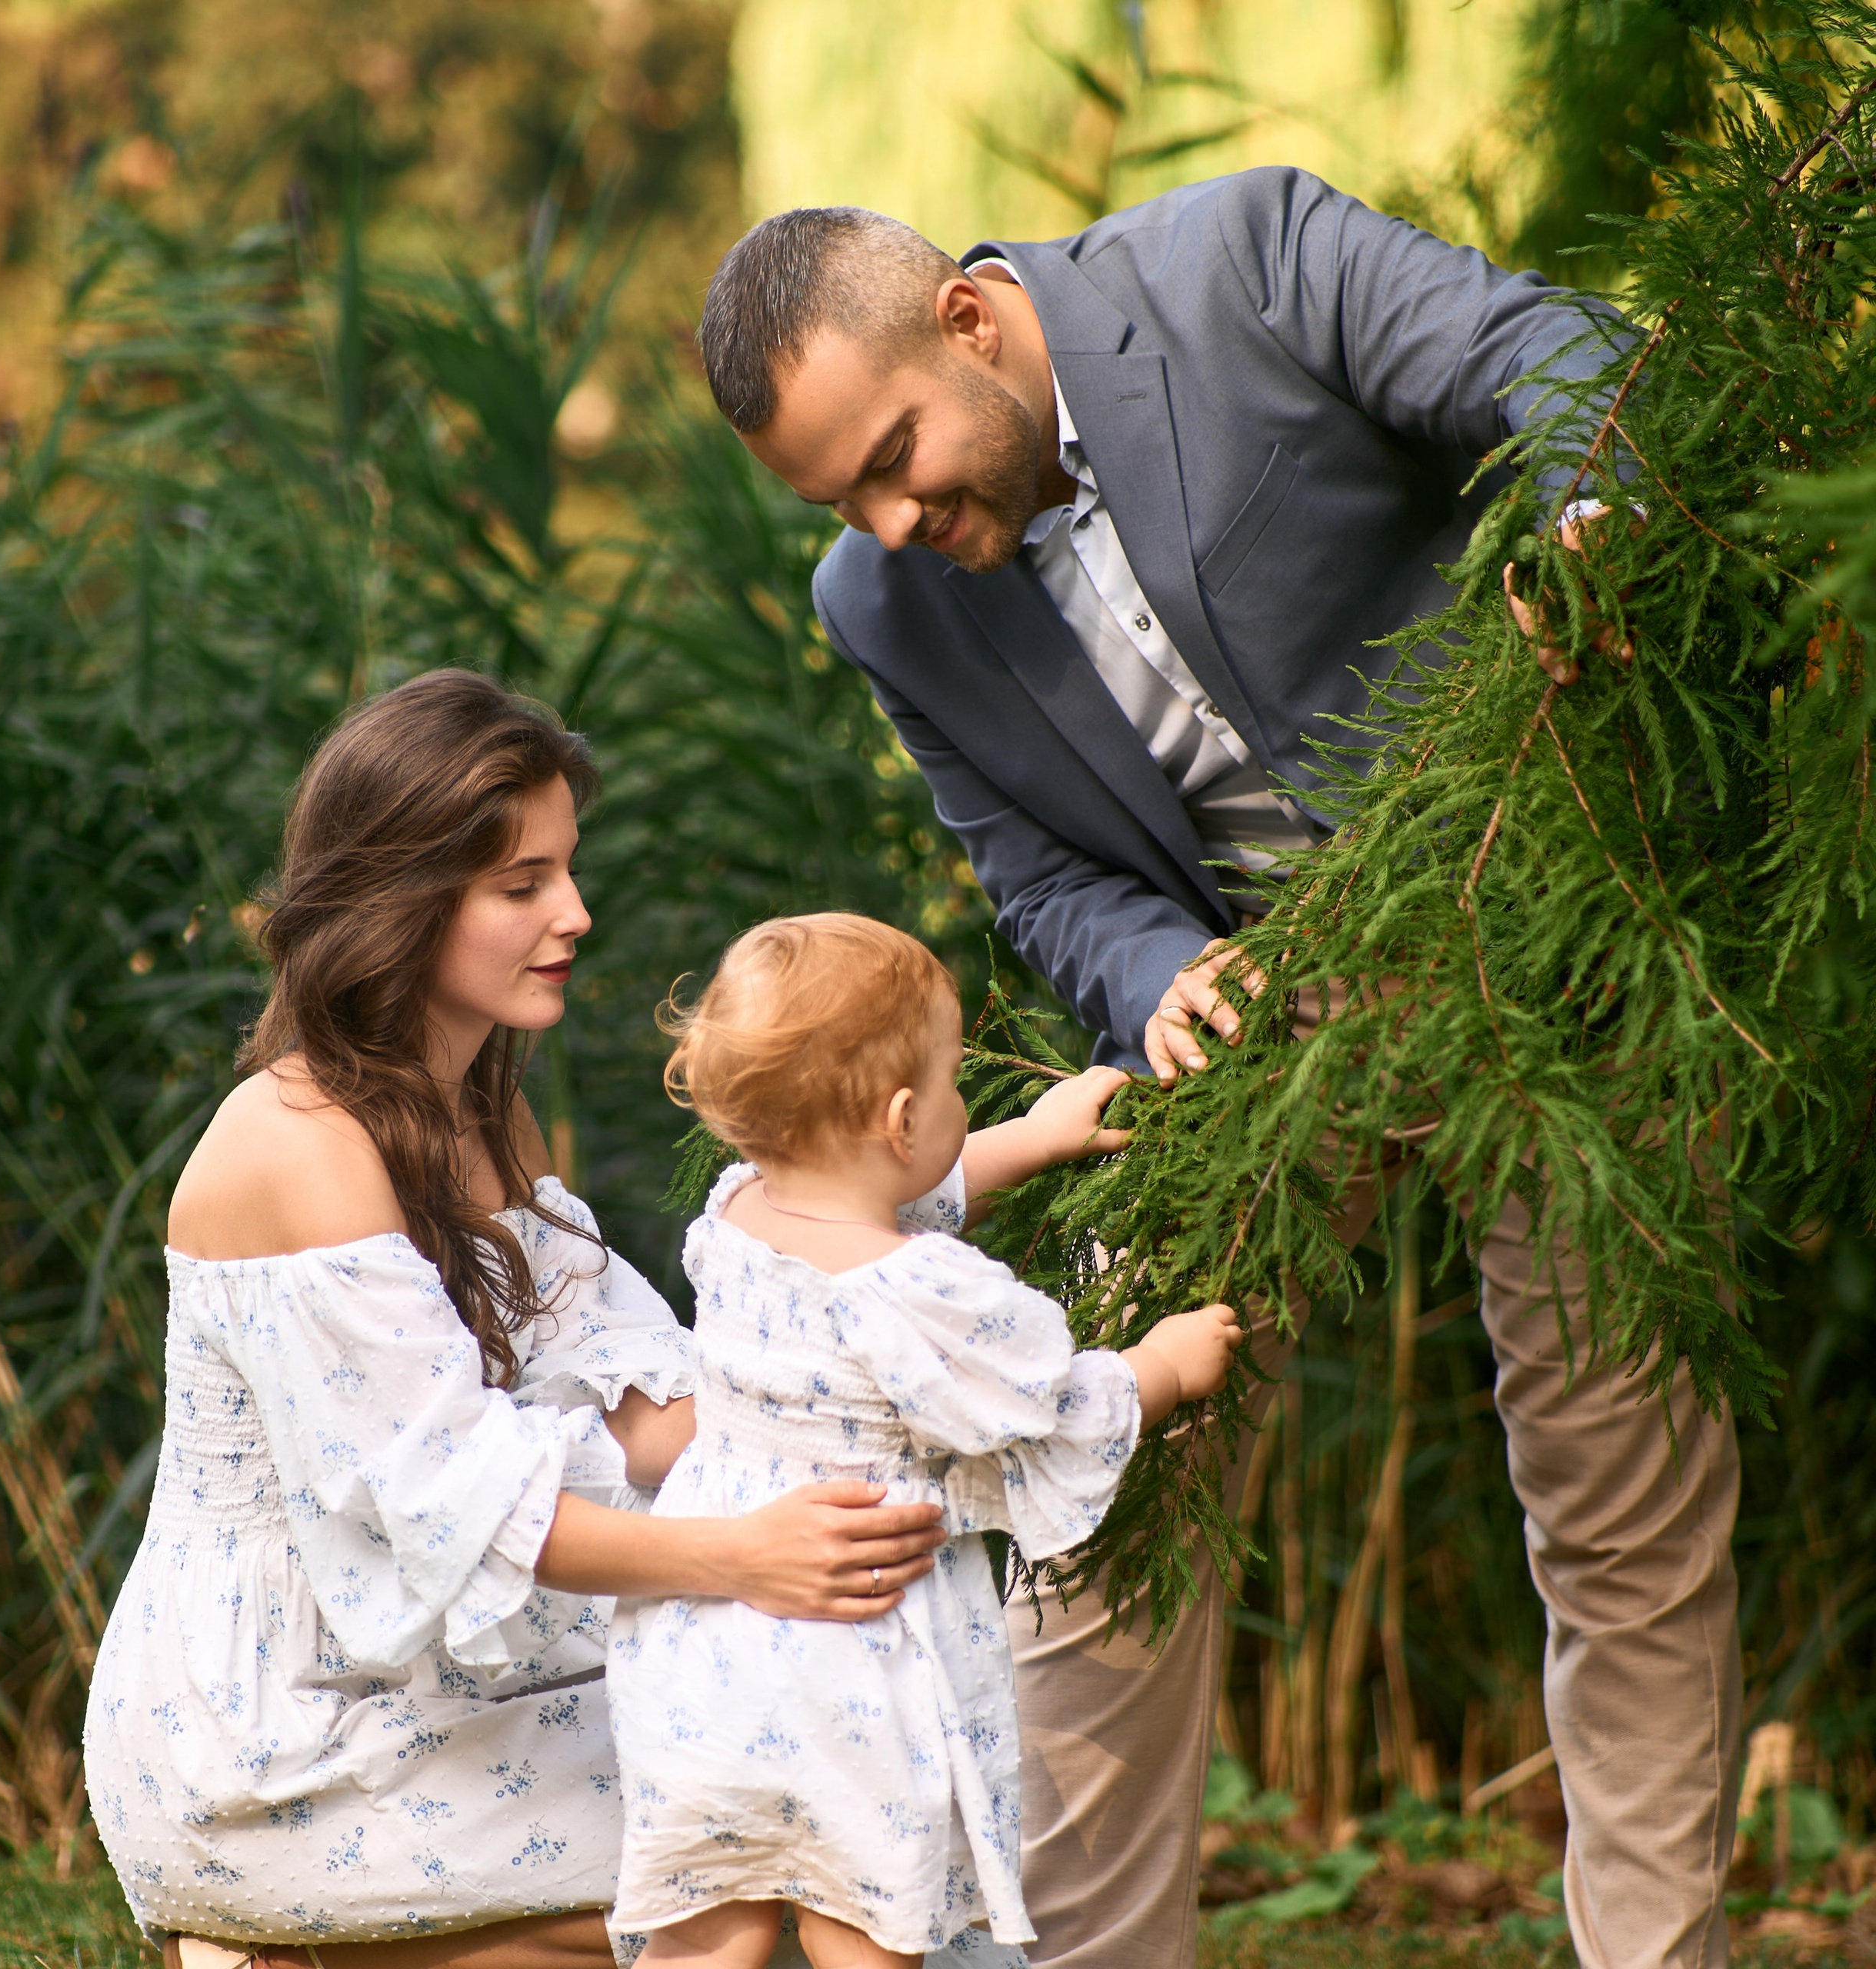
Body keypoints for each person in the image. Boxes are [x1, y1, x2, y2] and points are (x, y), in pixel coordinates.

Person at [692, 180, 1740, 1969]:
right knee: (1087, 1484)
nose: (886, 525)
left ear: (966, 320)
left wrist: (1587, 518)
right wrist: (1159, 971)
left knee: (1617, 1508)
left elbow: (1548, 349)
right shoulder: (877, 601)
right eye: (839, 502)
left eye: (893, 461)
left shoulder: (1245, 260)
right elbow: (1039, 877)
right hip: (1243, 1041)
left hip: (1533, 916)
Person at [85, 671, 957, 1969]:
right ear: (402, 900)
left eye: (568, 869)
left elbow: (641, 1407)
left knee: (835, 1756)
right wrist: (744, 1557)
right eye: (523, 885)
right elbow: (463, 1503)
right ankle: (282, 1948)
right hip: (279, 1735)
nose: (576, 913)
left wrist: (884, 1390)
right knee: (756, 1836)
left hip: (440, 1675)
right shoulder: (300, 1145)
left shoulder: (483, 1107)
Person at [606, 914, 1242, 1968]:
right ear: (904, 1117)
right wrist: (1162, 1367)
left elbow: (877, 1192)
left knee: (707, 1928)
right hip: (856, 1664)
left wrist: (1035, 1135)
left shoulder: (738, 1218)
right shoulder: (921, 1290)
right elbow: (1045, 1410)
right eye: (951, 1081)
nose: (959, 1102)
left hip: (707, 1652)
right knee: (871, 1924)